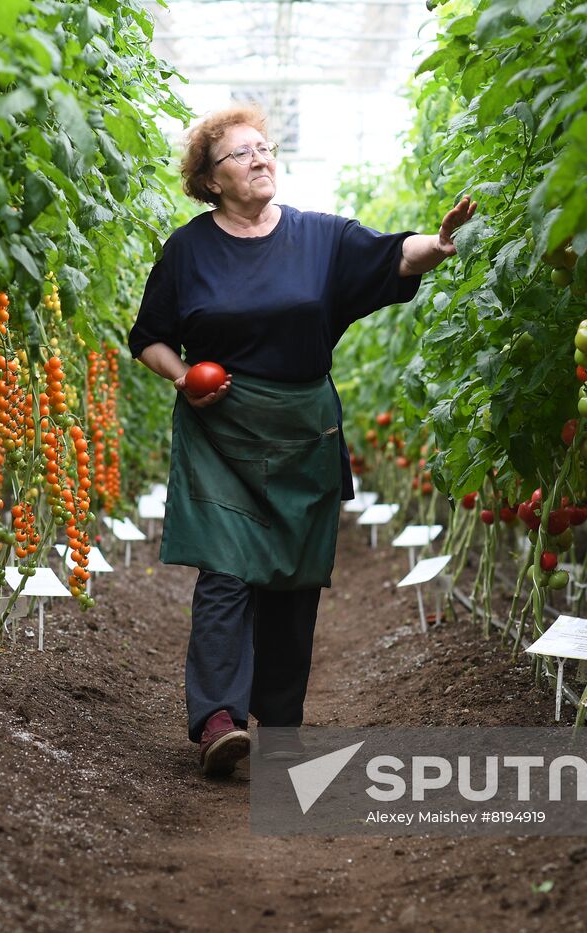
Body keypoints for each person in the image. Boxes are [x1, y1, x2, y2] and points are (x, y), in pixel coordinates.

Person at [126, 104, 476, 777]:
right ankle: (218, 720)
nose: (261, 159)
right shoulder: (189, 250)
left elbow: (392, 254)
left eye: (265, 148)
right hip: (220, 428)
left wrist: (436, 243)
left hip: (301, 428)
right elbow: (150, 337)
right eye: (242, 153)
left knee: (293, 578)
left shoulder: (321, 239)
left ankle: (278, 719)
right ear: (211, 179)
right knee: (226, 569)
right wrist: (182, 381)